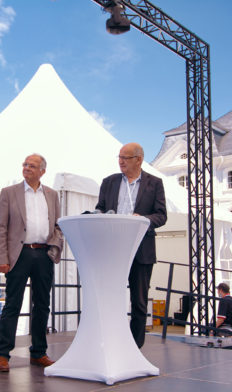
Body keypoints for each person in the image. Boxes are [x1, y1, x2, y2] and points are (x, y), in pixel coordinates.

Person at [0, 154, 63, 372]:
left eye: (32, 166)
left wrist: (54, 247)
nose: (27, 168)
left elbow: (58, 226)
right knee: (12, 304)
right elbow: (0, 227)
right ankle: (2, 354)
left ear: (42, 171)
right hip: (19, 254)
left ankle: (38, 352)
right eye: (25, 164)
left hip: (43, 254)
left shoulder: (52, 195)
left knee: (42, 305)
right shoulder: (9, 193)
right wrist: (2, 258)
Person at [95, 142, 167, 348]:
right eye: (119, 157)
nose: (121, 161)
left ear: (139, 160)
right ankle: (110, 342)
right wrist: (98, 215)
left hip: (141, 250)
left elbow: (161, 216)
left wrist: (142, 219)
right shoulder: (109, 182)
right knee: (110, 297)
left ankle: (135, 347)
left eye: (125, 158)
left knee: (139, 301)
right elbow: (100, 208)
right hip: (113, 249)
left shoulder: (154, 183)